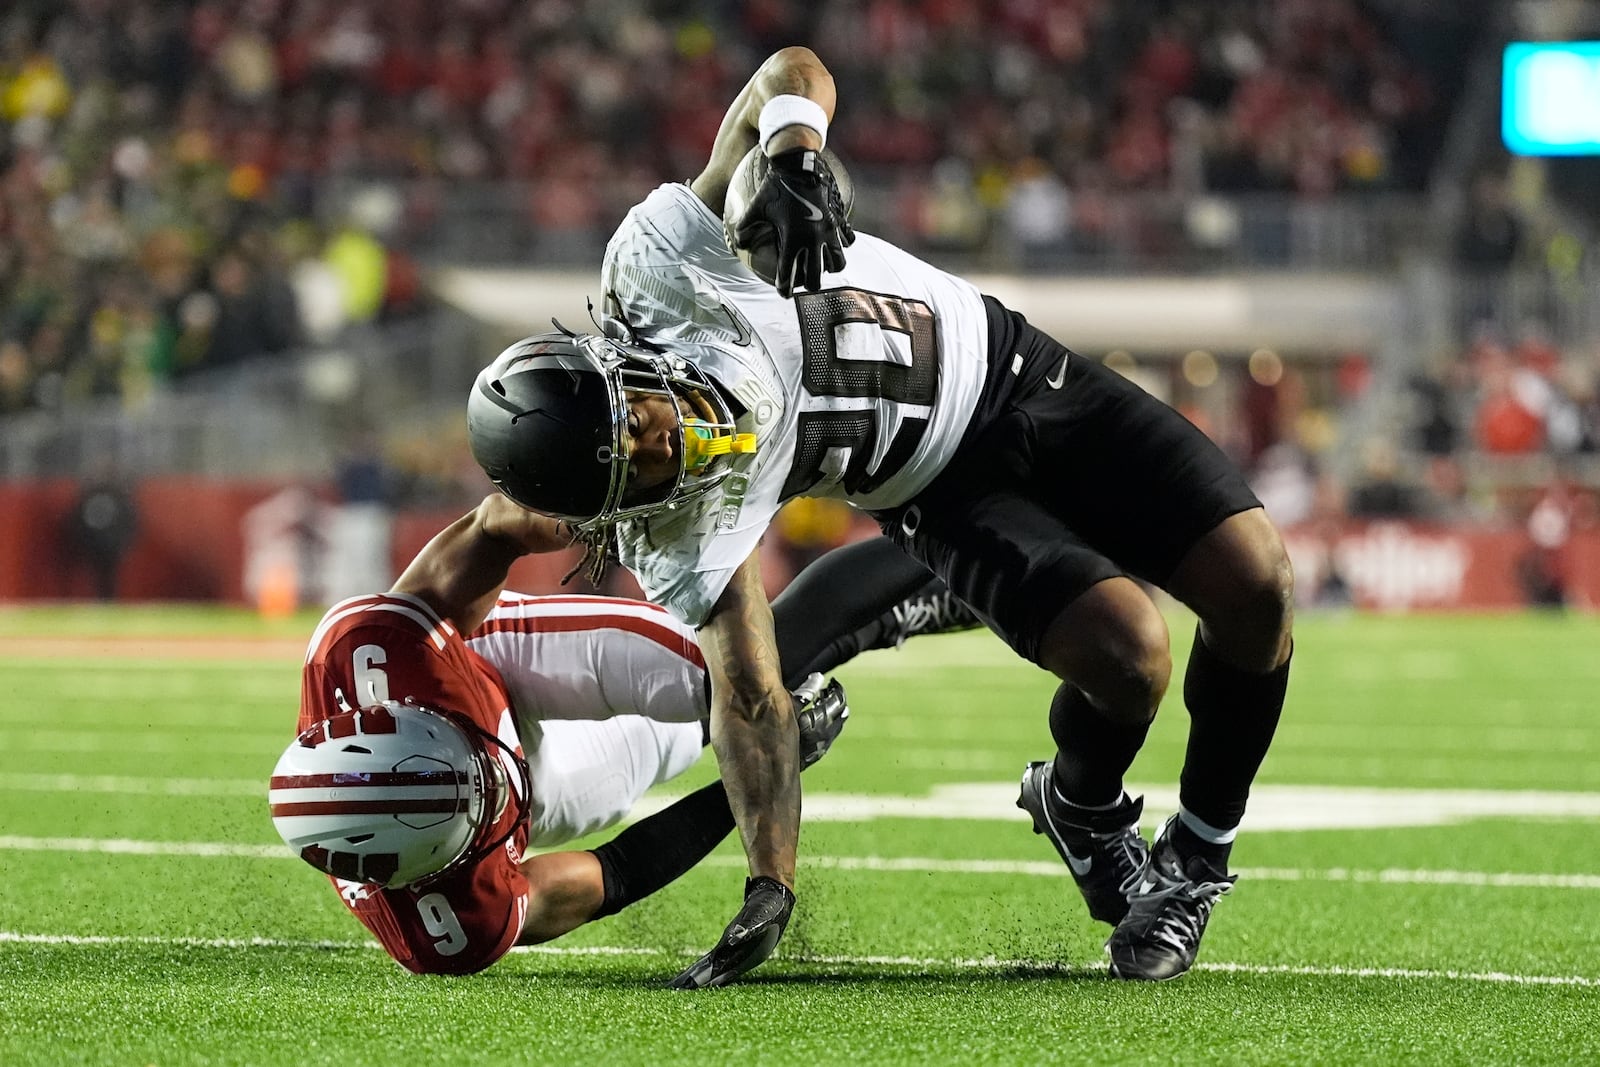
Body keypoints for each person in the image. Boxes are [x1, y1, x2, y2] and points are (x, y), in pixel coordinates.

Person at [467, 46, 1296, 987]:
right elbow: (750, 697)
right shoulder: (680, 534)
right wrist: (770, 879)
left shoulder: (660, 272)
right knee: (1130, 655)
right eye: (635, 472)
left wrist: (791, 155)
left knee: (1257, 581)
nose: (663, 446)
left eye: (639, 422)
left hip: (1015, 369)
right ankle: (1084, 805)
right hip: (936, 492)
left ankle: (1196, 853)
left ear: (622, 365)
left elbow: (791, 70)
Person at [269, 491, 976, 977]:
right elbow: (614, 873)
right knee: (740, 715)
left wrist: (596, 508)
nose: (488, 782)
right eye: (472, 806)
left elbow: (494, 527)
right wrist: (744, 783)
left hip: (487, 664)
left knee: (737, 671)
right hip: (546, 796)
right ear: (426, 866)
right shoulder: (447, 924)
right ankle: (899, 614)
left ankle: (974, 538)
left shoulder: (373, 648)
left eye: (463, 769)